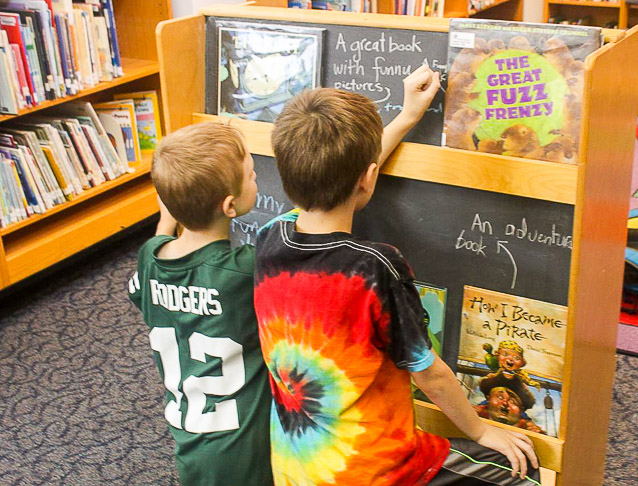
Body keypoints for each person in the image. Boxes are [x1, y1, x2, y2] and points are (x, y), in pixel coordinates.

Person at [254, 65, 540, 486]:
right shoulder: (373, 268)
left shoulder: (268, 238)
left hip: (297, 466)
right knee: (525, 473)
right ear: (369, 179)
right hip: (377, 468)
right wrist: (482, 430)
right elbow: (430, 373)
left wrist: (406, 117)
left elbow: (338, 174)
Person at [127, 122, 273, 486]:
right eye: (253, 175)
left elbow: (155, 255)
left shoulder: (150, 258)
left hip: (190, 447)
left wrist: (166, 218)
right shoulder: (245, 271)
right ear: (230, 206)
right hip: (249, 452)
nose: (257, 180)